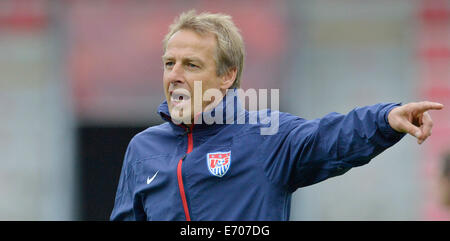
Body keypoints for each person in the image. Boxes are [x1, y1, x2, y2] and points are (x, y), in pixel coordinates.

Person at [110, 10, 444, 221]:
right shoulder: (142, 150)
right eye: (170, 63)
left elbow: (331, 138)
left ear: (227, 76)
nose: (175, 74)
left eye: (192, 65)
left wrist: (384, 119)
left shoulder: (266, 135)